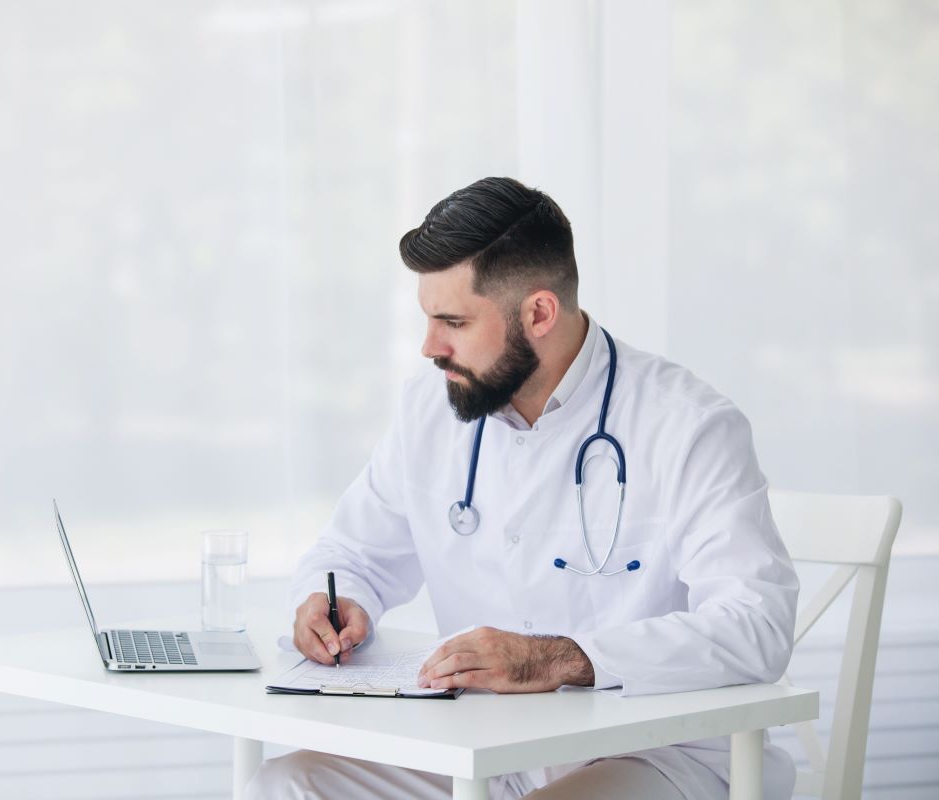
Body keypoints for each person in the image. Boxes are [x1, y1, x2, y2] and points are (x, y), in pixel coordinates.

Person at [245, 177, 799, 799]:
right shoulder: (431, 410)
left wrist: (559, 656)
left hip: (656, 756)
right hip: (485, 749)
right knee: (288, 784)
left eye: (453, 321)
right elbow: (354, 554)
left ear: (538, 312)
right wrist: (336, 600)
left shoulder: (687, 425)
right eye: (428, 318)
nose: (430, 347)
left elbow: (758, 624)